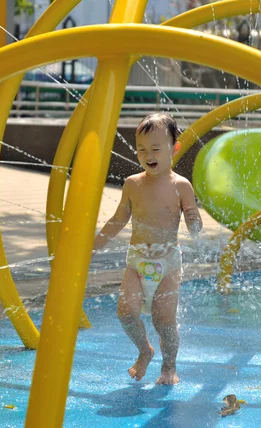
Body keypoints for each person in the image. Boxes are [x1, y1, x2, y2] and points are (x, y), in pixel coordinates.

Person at [93, 113, 202, 385]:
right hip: (137, 260)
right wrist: (94, 246)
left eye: (155, 148)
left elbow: (195, 227)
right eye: (142, 149)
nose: (148, 155)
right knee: (125, 313)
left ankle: (169, 366)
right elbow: (119, 219)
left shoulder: (181, 186)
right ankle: (144, 351)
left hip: (167, 262)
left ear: (174, 148)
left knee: (164, 322)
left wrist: (193, 220)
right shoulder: (133, 184)